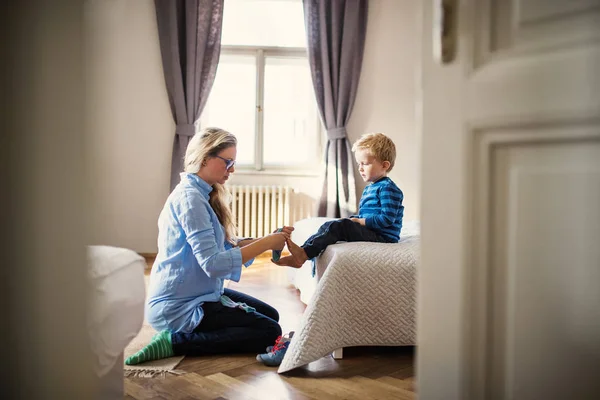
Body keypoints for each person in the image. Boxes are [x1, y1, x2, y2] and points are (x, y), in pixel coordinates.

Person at [126, 127, 294, 365]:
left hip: (198, 292)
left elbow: (224, 246)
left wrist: (265, 238)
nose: (232, 169)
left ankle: (187, 336)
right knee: (269, 331)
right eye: (228, 162)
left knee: (271, 316)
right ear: (205, 158)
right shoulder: (190, 199)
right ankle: (175, 342)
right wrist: (267, 244)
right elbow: (214, 265)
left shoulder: (201, 193)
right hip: (179, 305)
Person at [275, 132, 404, 269]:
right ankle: (303, 252)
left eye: (365, 164)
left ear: (384, 165)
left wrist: (359, 222)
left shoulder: (388, 189)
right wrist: (356, 220)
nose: (360, 168)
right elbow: (366, 216)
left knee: (339, 226)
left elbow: (387, 219)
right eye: (358, 163)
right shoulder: (371, 188)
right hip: (373, 231)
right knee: (330, 225)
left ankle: (303, 255)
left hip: (383, 237)